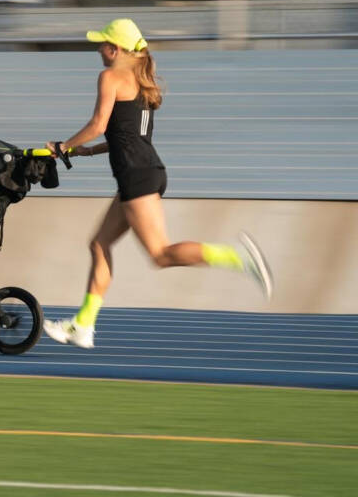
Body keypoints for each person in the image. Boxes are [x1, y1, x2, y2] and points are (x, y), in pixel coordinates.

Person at [42, 18, 273, 349]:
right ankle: (84, 325)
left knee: (160, 255)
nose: (98, 50)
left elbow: (98, 123)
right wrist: (88, 152)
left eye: (102, 44)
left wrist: (62, 148)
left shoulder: (110, 77)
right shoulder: (140, 80)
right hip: (142, 171)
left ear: (116, 49)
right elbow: (126, 136)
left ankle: (236, 257)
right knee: (99, 244)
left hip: (137, 175)